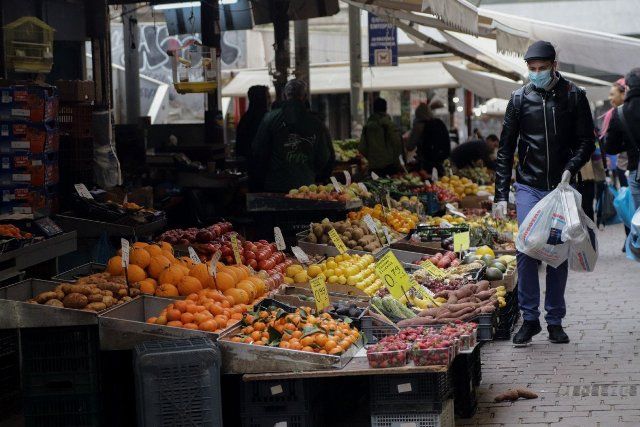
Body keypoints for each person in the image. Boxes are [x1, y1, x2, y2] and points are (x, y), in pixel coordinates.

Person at [493, 41, 595, 346]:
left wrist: (571, 166)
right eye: (532, 69)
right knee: (526, 249)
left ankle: (554, 320)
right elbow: (505, 149)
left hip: (562, 187)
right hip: (528, 185)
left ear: (555, 64)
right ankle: (530, 319)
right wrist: (500, 194)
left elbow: (587, 141)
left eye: (542, 68)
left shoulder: (575, 96)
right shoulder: (518, 99)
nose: (536, 74)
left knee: (556, 251)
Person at [250, 79, 331, 193]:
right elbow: (324, 157)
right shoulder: (315, 122)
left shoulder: (270, 118)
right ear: (305, 96)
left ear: (284, 95)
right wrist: (308, 171)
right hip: (306, 188)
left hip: (275, 186)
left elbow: (258, 150)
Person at [605, 68, 640, 216]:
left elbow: (611, 147)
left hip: (636, 171)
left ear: (627, 88)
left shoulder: (619, 113)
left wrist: (629, 143)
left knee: (638, 219)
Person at [359, 97, 402, 176]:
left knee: (375, 187)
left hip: (374, 167)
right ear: (385, 108)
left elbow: (362, 148)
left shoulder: (367, 126)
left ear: (374, 109)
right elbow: (397, 144)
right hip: (389, 166)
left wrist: (372, 158)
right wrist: (393, 158)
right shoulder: (389, 125)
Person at [407, 101, 450, 176]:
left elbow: (410, 146)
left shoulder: (418, 126)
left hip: (425, 163)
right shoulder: (438, 123)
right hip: (440, 161)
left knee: (427, 184)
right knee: (440, 183)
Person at [601, 79, 628, 187]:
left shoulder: (617, 114)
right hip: (623, 165)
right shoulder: (614, 114)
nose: (610, 98)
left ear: (623, 94)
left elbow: (610, 146)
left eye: (612, 94)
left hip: (627, 166)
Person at [235, 85, 270, 160]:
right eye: (267, 97)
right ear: (261, 99)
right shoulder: (266, 119)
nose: (270, 101)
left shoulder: (245, 118)